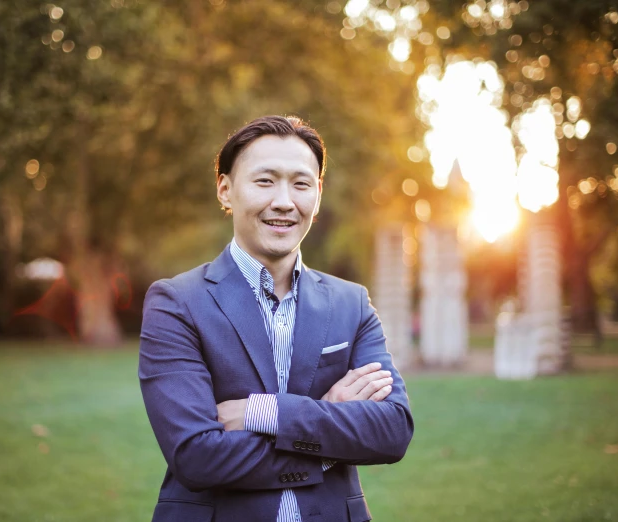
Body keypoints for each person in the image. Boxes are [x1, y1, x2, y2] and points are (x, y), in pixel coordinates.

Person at [139, 115, 413, 522]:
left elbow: (391, 431)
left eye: (301, 184)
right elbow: (196, 456)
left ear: (317, 196)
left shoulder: (350, 303)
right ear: (226, 189)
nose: (284, 201)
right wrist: (327, 431)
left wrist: (262, 413)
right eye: (265, 181)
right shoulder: (176, 303)